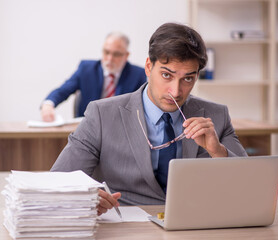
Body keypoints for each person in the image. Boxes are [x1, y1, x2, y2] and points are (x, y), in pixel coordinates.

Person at [51, 23, 248, 215]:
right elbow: (57, 183)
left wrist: (218, 152)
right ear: (148, 67)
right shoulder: (101, 114)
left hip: (196, 223)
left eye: (187, 78)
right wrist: (86, 196)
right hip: (128, 226)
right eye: (166, 75)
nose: (176, 91)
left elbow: (249, 186)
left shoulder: (217, 116)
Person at [41, 32, 147, 121]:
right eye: (106, 52)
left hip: (120, 132)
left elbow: (143, 107)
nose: (110, 58)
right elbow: (63, 90)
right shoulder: (86, 69)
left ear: (126, 55)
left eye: (116, 54)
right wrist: (48, 104)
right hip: (88, 130)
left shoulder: (137, 75)